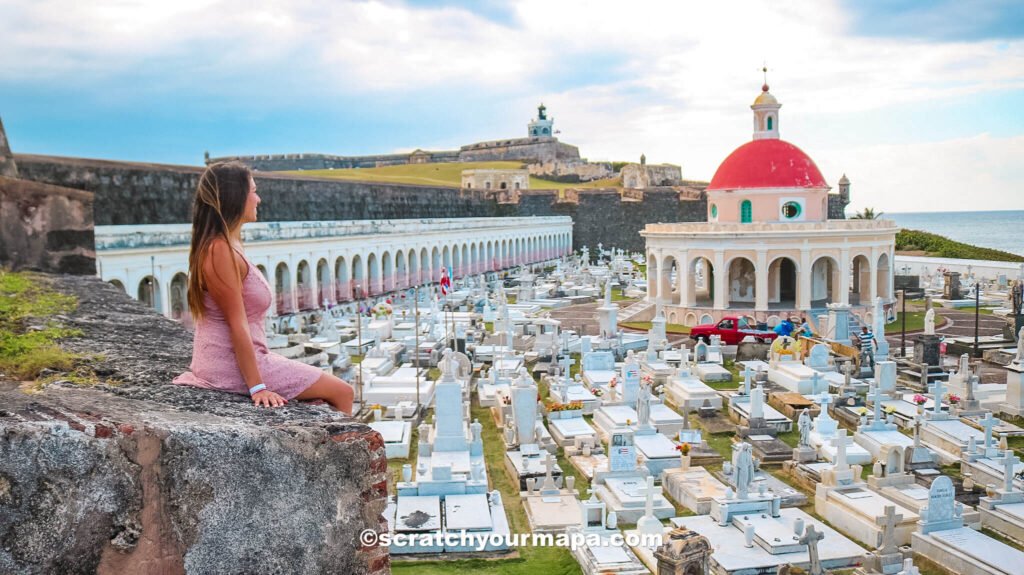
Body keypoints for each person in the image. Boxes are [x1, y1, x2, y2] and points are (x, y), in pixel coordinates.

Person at [173, 162, 354, 414]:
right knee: (343, 392)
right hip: (228, 365)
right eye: (253, 191)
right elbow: (238, 323)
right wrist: (257, 386)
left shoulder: (229, 243)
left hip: (234, 359)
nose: (258, 199)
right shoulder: (220, 250)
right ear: (235, 198)